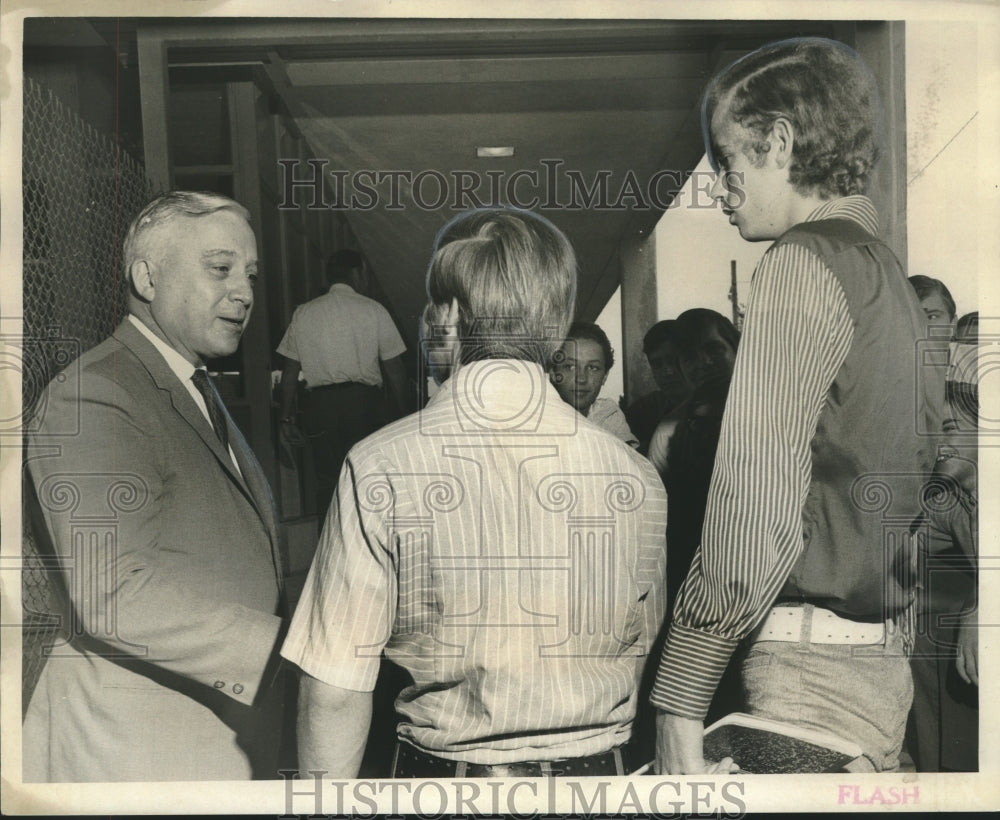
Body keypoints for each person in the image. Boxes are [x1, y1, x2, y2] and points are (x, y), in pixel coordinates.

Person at [281, 208, 667, 778]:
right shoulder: (634, 474)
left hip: (448, 785)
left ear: (450, 316)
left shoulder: (381, 464)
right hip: (600, 783)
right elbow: (641, 649)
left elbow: (335, 688)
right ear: (556, 328)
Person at [651, 38, 946, 775]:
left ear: (780, 141)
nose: (718, 186)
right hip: (879, 675)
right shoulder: (889, 281)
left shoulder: (798, 264)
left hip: (802, 680)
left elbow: (755, 512)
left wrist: (679, 698)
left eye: (728, 160)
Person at [23, 191, 286, 781]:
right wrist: (287, 651)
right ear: (146, 276)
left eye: (248, 274)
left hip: (203, 734)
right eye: (219, 269)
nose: (242, 291)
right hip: (137, 752)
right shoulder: (95, 395)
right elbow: (109, 591)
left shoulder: (189, 384)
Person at [276, 248, 408, 519]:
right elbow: (395, 370)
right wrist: (406, 414)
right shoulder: (373, 310)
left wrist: (285, 419)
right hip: (363, 406)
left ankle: (330, 552)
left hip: (319, 410)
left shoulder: (304, 313)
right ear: (357, 274)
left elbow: (289, 373)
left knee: (327, 484)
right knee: (367, 479)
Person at [647, 308, 740, 474]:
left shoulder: (775, 412)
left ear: (736, 348)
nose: (705, 362)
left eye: (713, 349)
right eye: (690, 357)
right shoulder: (667, 432)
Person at [549, 320, 638, 446]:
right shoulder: (540, 416)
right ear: (553, 372)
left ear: (605, 376)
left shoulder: (608, 415)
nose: (581, 379)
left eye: (593, 368)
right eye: (570, 367)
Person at [624, 320, 691, 454]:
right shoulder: (643, 410)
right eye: (657, 364)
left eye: (673, 361)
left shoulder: (716, 405)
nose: (667, 371)